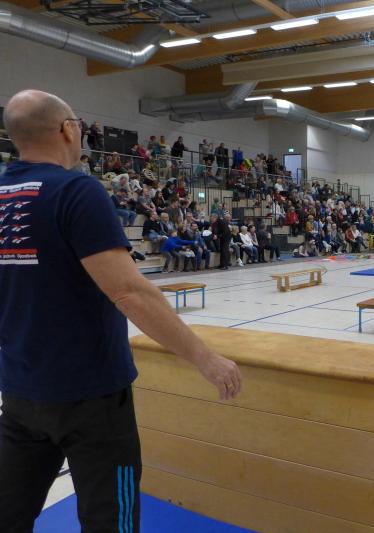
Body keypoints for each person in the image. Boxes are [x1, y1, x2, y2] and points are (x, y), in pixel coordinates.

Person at [0, 90, 242, 533]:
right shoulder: (75, 190)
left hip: (19, 393)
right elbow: (129, 293)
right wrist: (205, 358)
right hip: (91, 398)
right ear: (67, 130)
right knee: (114, 520)